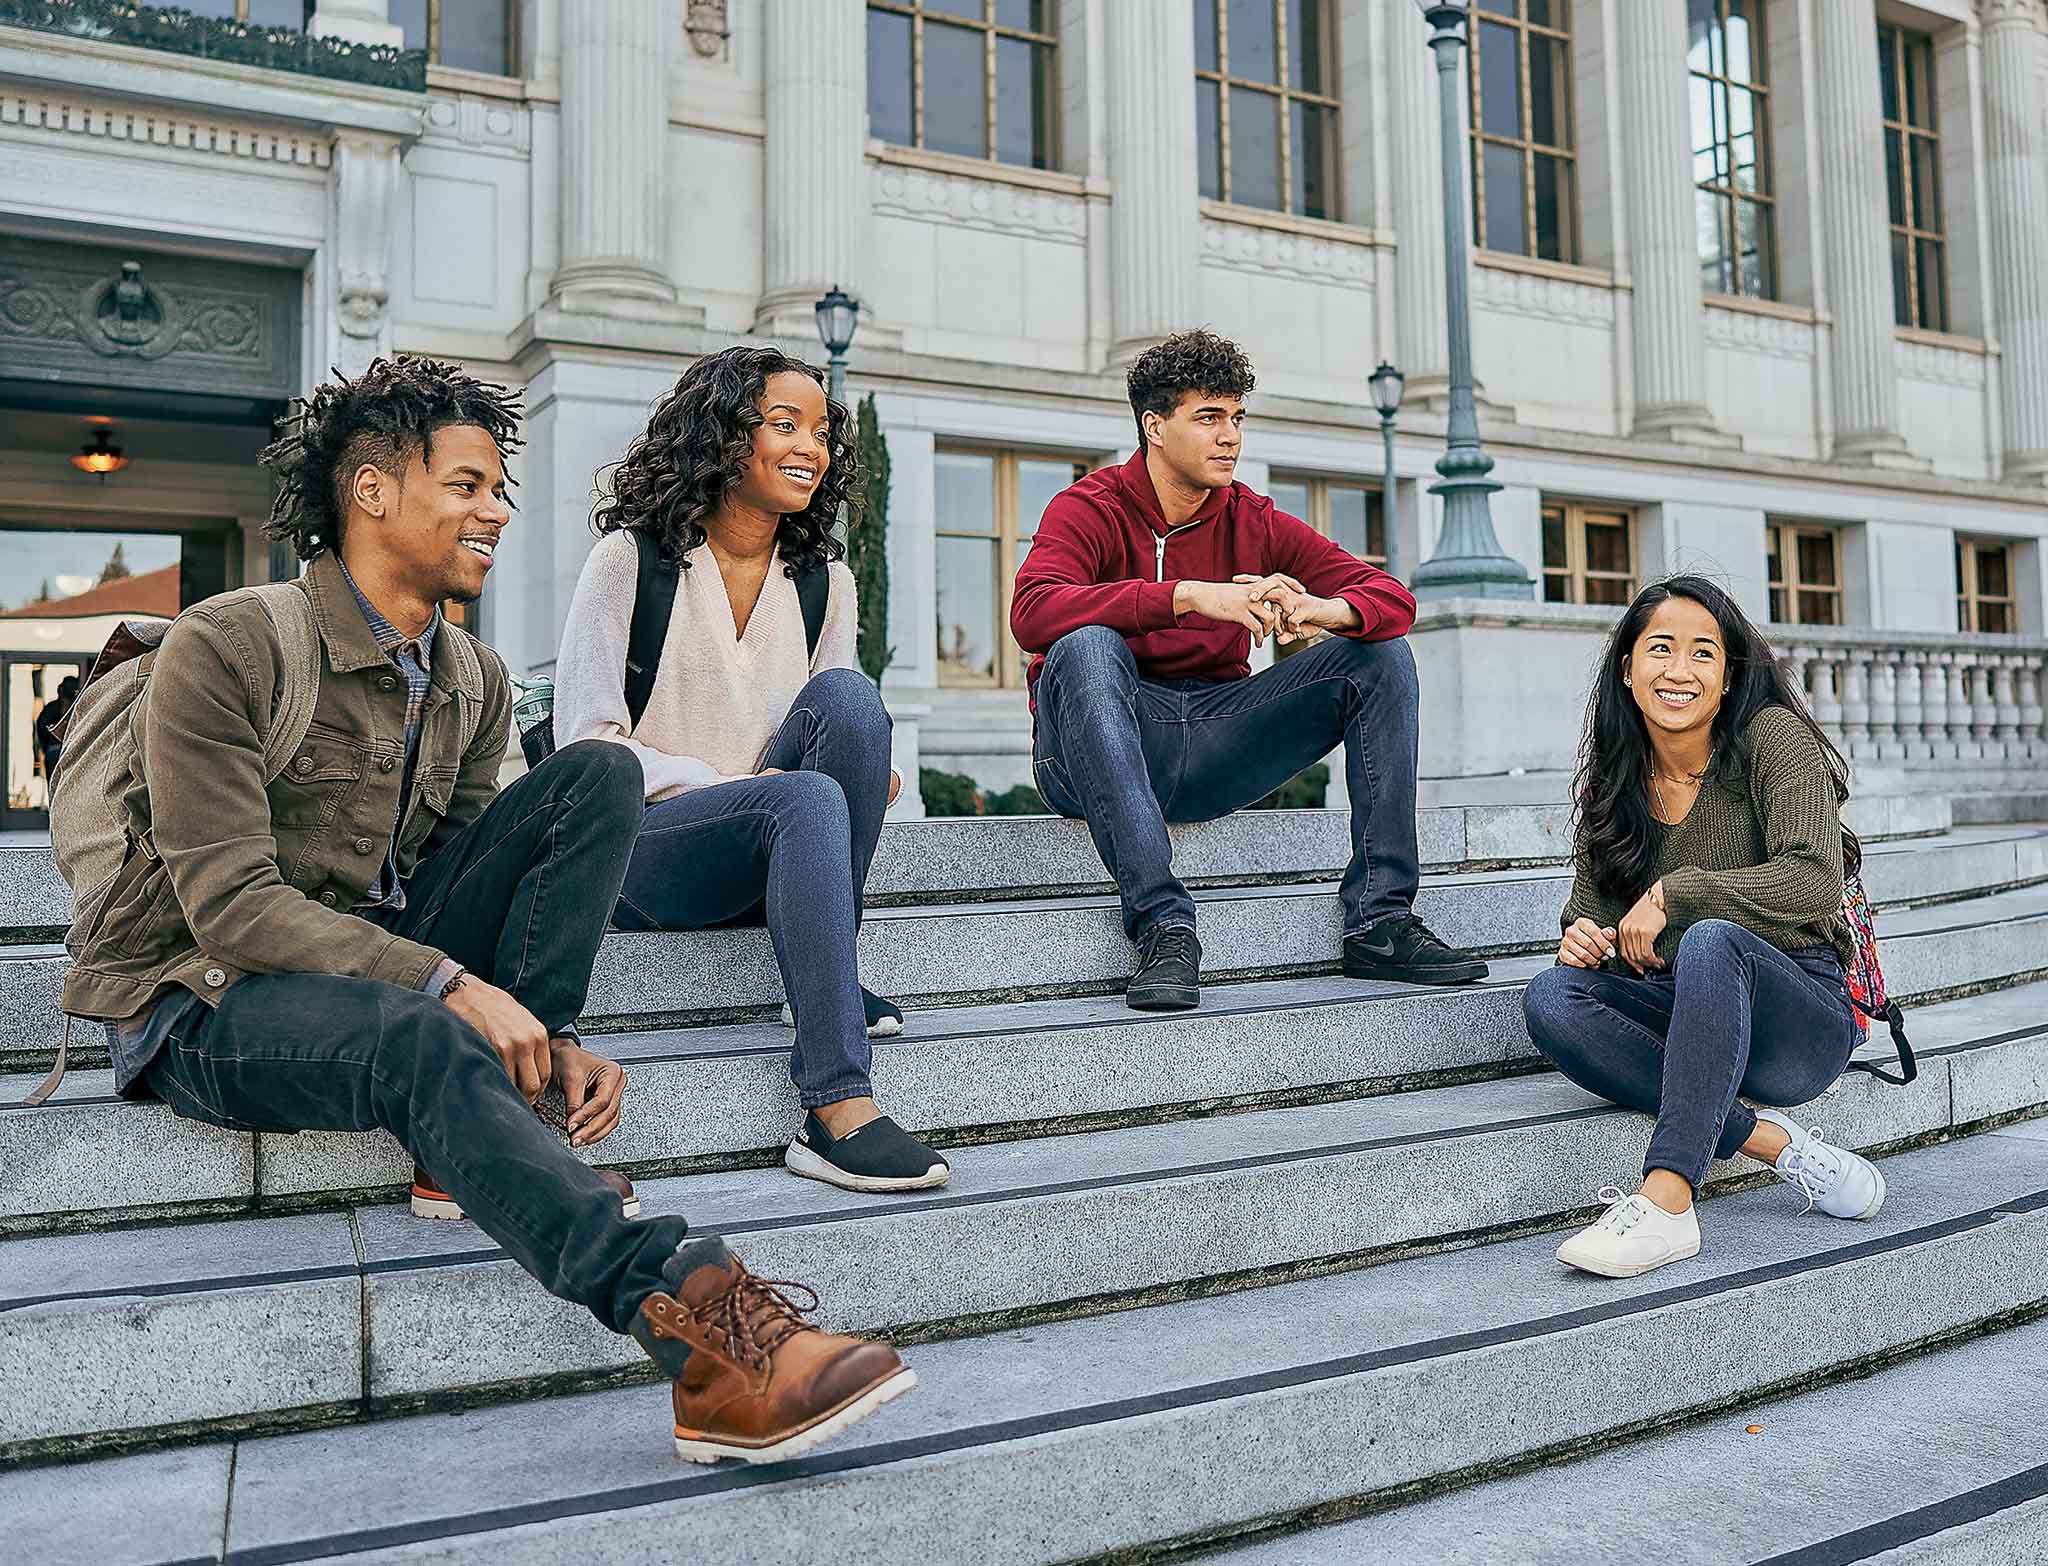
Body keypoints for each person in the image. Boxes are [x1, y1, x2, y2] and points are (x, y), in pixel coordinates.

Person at [60, 355, 912, 1461]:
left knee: (596, 777)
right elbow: (230, 909)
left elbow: (475, 873)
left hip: (378, 968)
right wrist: (453, 987)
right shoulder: (232, 644)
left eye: (497, 489)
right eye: (466, 486)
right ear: (372, 493)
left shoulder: (471, 676)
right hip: (208, 999)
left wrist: (540, 1025)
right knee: (417, 1030)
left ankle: (517, 1098)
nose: (496, 511)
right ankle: (708, 1342)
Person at [554, 344, 949, 1196]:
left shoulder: (823, 581)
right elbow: (587, 741)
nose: (813, 446)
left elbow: (829, 728)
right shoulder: (633, 561)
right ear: (723, 437)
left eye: (822, 431)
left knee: (851, 702)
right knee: (801, 794)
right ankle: (836, 1107)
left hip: (773, 836)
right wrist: (727, 788)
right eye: (784, 425)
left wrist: (861, 768)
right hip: (647, 849)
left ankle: (823, 972)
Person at [1010, 328, 1488, 1012]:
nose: (1229, 436)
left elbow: (1394, 600)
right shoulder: (1089, 507)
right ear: (1155, 425)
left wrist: (1324, 609)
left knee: (1380, 654)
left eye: (1236, 418)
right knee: (1085, 645)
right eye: (1208, 417)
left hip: (1212, 739)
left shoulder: (1254, 518)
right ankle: (1165, 928)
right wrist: (1189, 596)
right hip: (1094, 752)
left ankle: (1381, 921)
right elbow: (1032, 611)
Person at [1524, 575, 1887, 1281]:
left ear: (1727, 679)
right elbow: (1592, 914)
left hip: (1798, 1015)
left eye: (1703, 654)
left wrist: (1680, 893)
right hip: (1693, 1013)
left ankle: (1666, 1201)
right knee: (1550, 997)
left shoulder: (1772, 741)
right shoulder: (1617, 780)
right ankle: (1773, 1145)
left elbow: (1813, 880)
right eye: (1660, 649)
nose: (1679, 671)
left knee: (1712, 938)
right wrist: (1582, 941)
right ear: (1628, 669)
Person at [34, 673, 78, 784]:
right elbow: (42, 729)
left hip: (67, 750)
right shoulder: (52, 709)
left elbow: (41, 730)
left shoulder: (76, 709)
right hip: (55, 750)